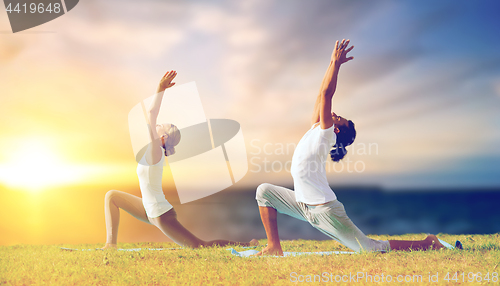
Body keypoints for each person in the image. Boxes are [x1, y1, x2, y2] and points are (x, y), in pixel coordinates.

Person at [255, 40, 444, 256]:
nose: (335, 114)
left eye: (339, 119)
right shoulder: (317, 128)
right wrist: (331, 62)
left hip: (325, 210)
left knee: (370, 249)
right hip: (303, 205)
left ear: (336, 130)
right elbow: (320, 95)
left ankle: (427, 243)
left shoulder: (325, 135)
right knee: (264, 191)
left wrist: (337, 65)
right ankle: (273, 247)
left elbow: (327, 95)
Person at [102, 70, 258, 249]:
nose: (158, 125)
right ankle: (110, 245)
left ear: (164, 138)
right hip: (147, 208)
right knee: (112, 196)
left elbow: (151, 113)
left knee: (200, 246)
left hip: (161, 214)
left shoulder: (155, 151)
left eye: (162, 126)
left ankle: (247, 244)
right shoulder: (152, 151)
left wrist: (160, 88)